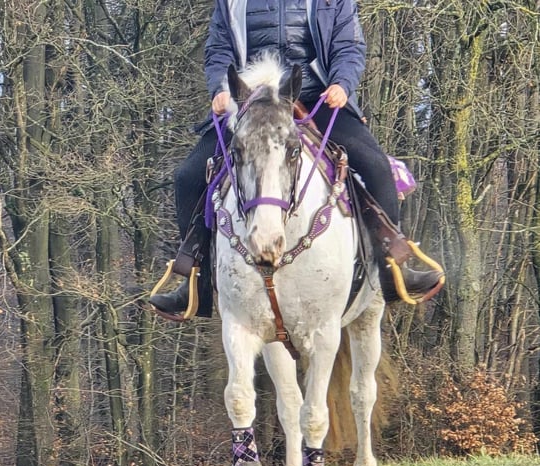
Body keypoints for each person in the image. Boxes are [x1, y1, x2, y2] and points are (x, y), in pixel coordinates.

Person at [149, 0, 443, 318]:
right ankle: (197, 282)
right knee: (188, 177)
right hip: (252, 105)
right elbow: (219, 50)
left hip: (316, 98)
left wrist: (342, 84)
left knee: (375, 165)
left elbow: (349, 47)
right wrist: (220, 88)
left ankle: (392, 267)